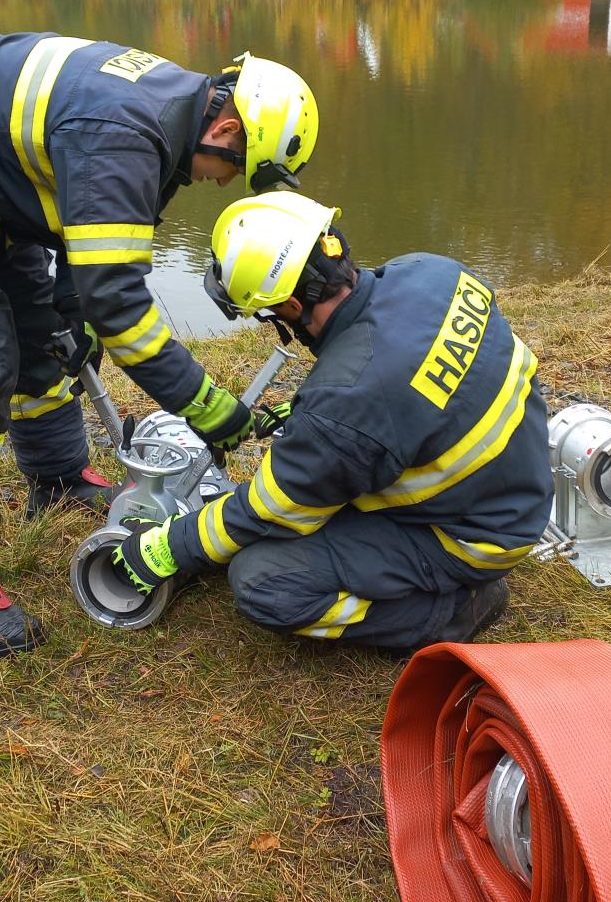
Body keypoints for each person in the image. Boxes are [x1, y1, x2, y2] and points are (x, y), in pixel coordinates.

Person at [0, 37, 319, 656]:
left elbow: (90, 235)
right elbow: (119, 306)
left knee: (46, 335)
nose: (220, 182)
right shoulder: (125, 132)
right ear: (226, 127)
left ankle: (58, 478)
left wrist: (72, 309)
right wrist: (206, 406)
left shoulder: (170, 120)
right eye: (232, 169)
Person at [112, 192, 553, 654]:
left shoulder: (347, 402)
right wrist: (320, 424)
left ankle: (452, 612)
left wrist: (170, 547)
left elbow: (271, 510)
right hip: (516, 492)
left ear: (288, 307)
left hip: (472, 538)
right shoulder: (434, 270)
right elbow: (424, 396)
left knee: (263, 582)